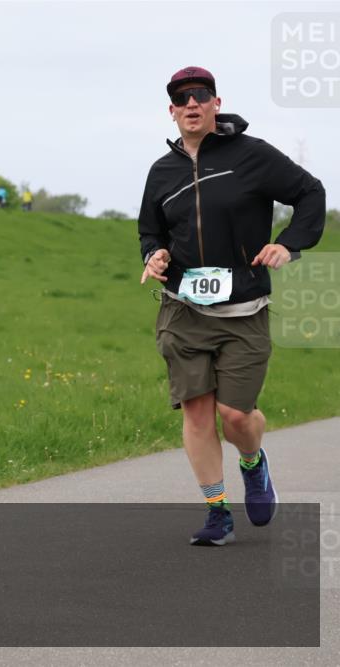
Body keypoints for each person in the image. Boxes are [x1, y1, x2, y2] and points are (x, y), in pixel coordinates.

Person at [138, 66, 325, 546]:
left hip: (244, 307)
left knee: (236, 417)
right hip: (182, 308)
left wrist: (290, 244)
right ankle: (217, 512)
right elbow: (151, 230)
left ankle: (253, 462)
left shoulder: (251, 156)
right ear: (172, 111)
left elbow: (310, 193)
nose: (191, 104)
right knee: (197, 414)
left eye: (200, 96)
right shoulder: (162, 172)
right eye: (182, 99)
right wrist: (153, 255)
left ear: (216, 104)